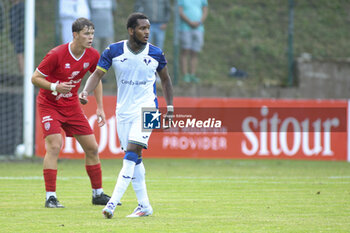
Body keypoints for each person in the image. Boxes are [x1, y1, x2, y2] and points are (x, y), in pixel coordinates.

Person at [79, 12, 174, 219]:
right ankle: (144, 206)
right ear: (131, 30)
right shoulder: (113, 51)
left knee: (131, 153)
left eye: (148, 28)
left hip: (149, 109)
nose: (147, 32)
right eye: (142, 28)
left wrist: (171, 108)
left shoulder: (156, 53)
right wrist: (86, 91)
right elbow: (97, 74)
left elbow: (165, 80)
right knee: (135, 158)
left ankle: (111, 204)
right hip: (123, 111)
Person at [31, 18, 110, 208]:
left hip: (72, 105)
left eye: (92, 34)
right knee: (55, 145)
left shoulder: (92, 55)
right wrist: (55, 86)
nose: (90, 38)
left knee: (92, 147)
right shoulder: (56, 54)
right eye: (86, 34)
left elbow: (96, 78)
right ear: (75, 35)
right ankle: (50, 197)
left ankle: (97, 194)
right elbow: (35, 78)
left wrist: (98, 106)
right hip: (49, 104)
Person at [178, 0, 208, 83]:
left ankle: (192, 74)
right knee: (185, 51)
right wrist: (189, 22)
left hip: (199, 28)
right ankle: (185, 75)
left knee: (195, 52)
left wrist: (199, 22)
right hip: (185, 28)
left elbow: (205, 10)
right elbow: (180, 11)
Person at [9, 0, 25, 74]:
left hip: (22, 35)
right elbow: (12, 25)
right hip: (16, 36)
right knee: (19, 55)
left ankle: (25, 75)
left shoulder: (23, 7)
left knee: (21, 55)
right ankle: (23, 74)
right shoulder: (12, 9)